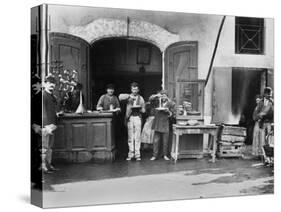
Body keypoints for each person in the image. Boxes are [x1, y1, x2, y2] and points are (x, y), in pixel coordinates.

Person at [149, 90, 175, 161]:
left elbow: (172, 114)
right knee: (156, 141)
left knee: (165, 141)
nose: (163, 97)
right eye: (162, 95)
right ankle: (154, 155)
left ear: (167, 96)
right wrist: (157, 95)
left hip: (165, 123)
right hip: (157, 123)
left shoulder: (170, 103)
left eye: (164, 95)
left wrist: (168, 111)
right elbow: (150, 99)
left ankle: (165, 155)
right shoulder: (157, 102)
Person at [123, 82, 145, 161]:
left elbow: (144, 110)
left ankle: (137, 155)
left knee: (137, 137)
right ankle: (131, 154)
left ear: (138, 90)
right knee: (130, 137)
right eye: (133, 89)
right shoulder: (127, 97)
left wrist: (140, 108)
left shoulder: (141, 98)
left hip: (137, 118)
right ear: (131, 89)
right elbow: (120, 97)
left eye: (136, 89)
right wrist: (129, 97)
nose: (134, 91)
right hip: (130, 118)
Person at [42, 75, 59, 173]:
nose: (52, 85)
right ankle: (43, 167)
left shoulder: (52, 96)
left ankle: (48, 165)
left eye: (53, 83)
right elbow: (42, 111)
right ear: (45, 84)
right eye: (49, 83)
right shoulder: (43, 95)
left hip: (52, 124)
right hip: (46, 125)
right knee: (44, 147)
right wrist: (46, 125)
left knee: (50, 147)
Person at [253, 87, 274, 157]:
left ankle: (269, 155)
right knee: (262, 139)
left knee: (270, 140)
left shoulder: (272, 102)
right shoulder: (261, 102)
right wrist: (258, 117)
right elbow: (256, 112)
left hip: (269, 123)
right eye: (269, 94)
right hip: (262, 123)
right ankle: (262, 155)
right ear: (265, 94)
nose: (270, 96)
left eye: (271, 94)